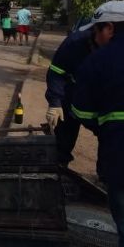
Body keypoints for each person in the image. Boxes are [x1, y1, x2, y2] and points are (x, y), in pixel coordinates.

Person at [71, 0, 124, 247]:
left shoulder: (98, 60)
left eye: (96, 31)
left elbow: (81, 111)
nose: (95, 38)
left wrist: (107, 126)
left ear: (110, 28)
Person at [44, 26, 95, 166]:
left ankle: (106, 174)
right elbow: (56, 72)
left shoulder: (120, 45)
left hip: (102, 99)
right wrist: (55, 103)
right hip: (72, 95)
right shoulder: (75, 42)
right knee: (64, 137)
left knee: (110, 140)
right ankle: (59, 166)